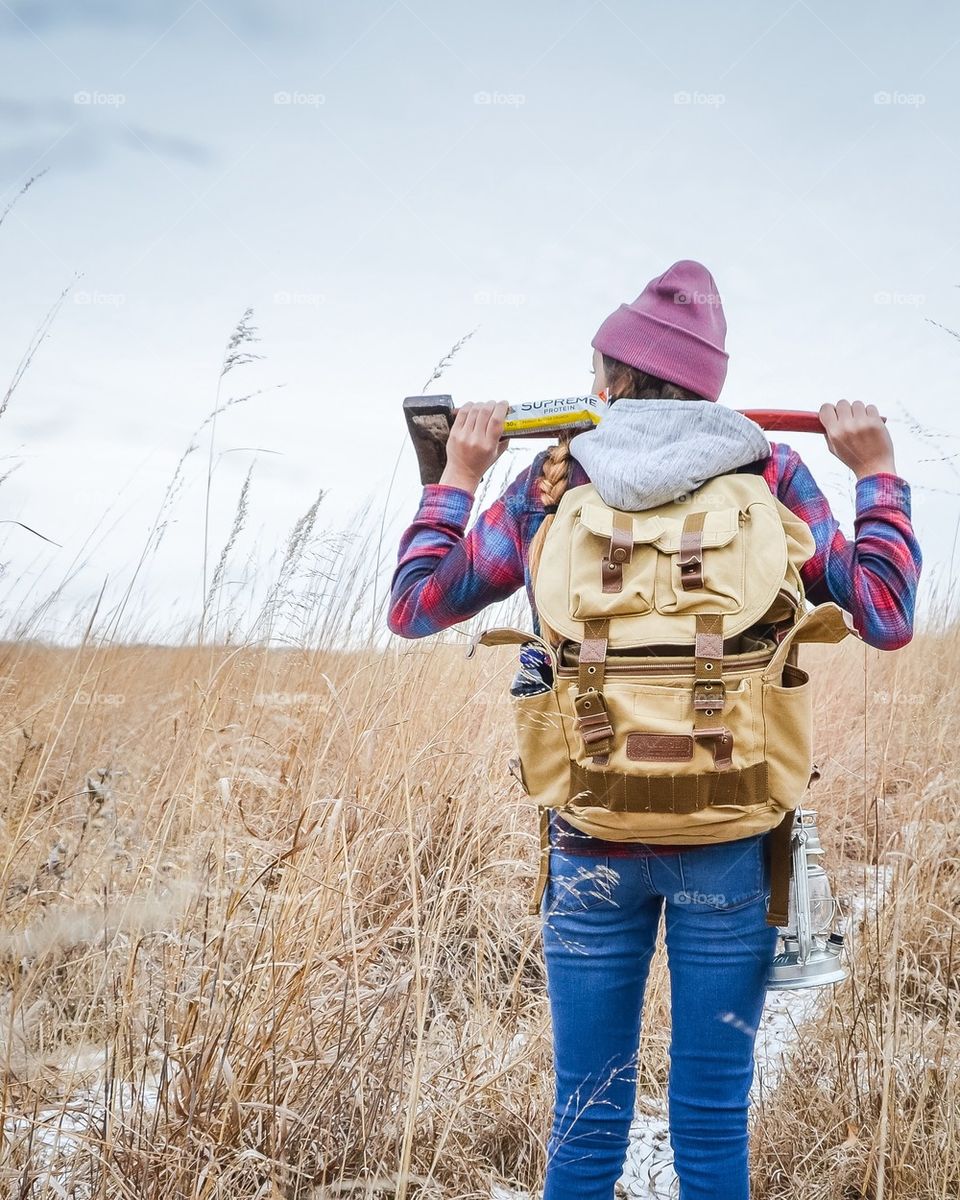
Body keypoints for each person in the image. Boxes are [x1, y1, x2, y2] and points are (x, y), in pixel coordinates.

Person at [387, 260, 922, 1200]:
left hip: (590, 836)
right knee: (712, 1121)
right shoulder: (768, 466)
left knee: (587, 1118)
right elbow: (884, 610)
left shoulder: (556, 476)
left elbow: (416, 606)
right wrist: (877, 473)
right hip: (733, 843)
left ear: (605, 383)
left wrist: (457, 474)